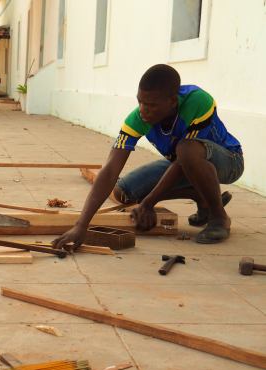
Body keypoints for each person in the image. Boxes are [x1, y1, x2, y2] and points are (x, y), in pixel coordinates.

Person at [53, 64, 243, 247]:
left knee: (186, 150)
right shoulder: (137, 119)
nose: (143, 110)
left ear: (172, 102)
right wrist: (81, 225)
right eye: (140, 102)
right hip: (183, 163)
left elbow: (182, 161)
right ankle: (203, 198)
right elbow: (111, 170)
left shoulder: (198, 102)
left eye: (151, 105)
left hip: (228, 161)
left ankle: (219, 218)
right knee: (123, 192)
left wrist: (149, 202)